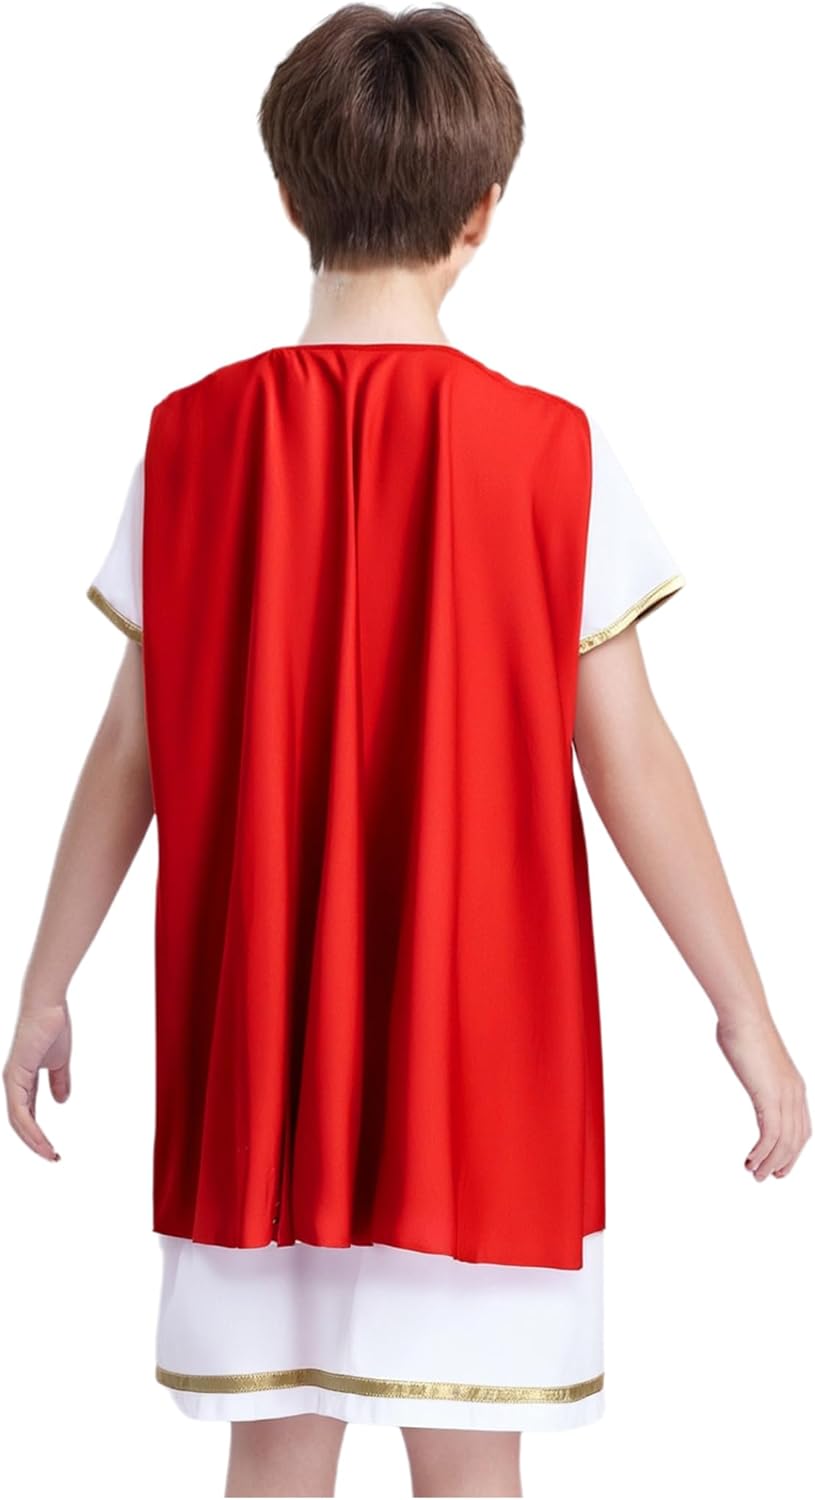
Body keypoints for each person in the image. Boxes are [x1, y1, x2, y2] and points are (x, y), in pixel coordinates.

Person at [5, 5, 811, 1498]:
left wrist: (47, 983)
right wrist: (746, 1012)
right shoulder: (552, 452)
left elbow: (129, 744)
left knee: (273, 1461)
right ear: (483, 211)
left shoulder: (190, 441)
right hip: (481, 1069)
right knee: (471, 1466)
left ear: (288, 194)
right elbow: (632, 755)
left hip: (258, 1062)